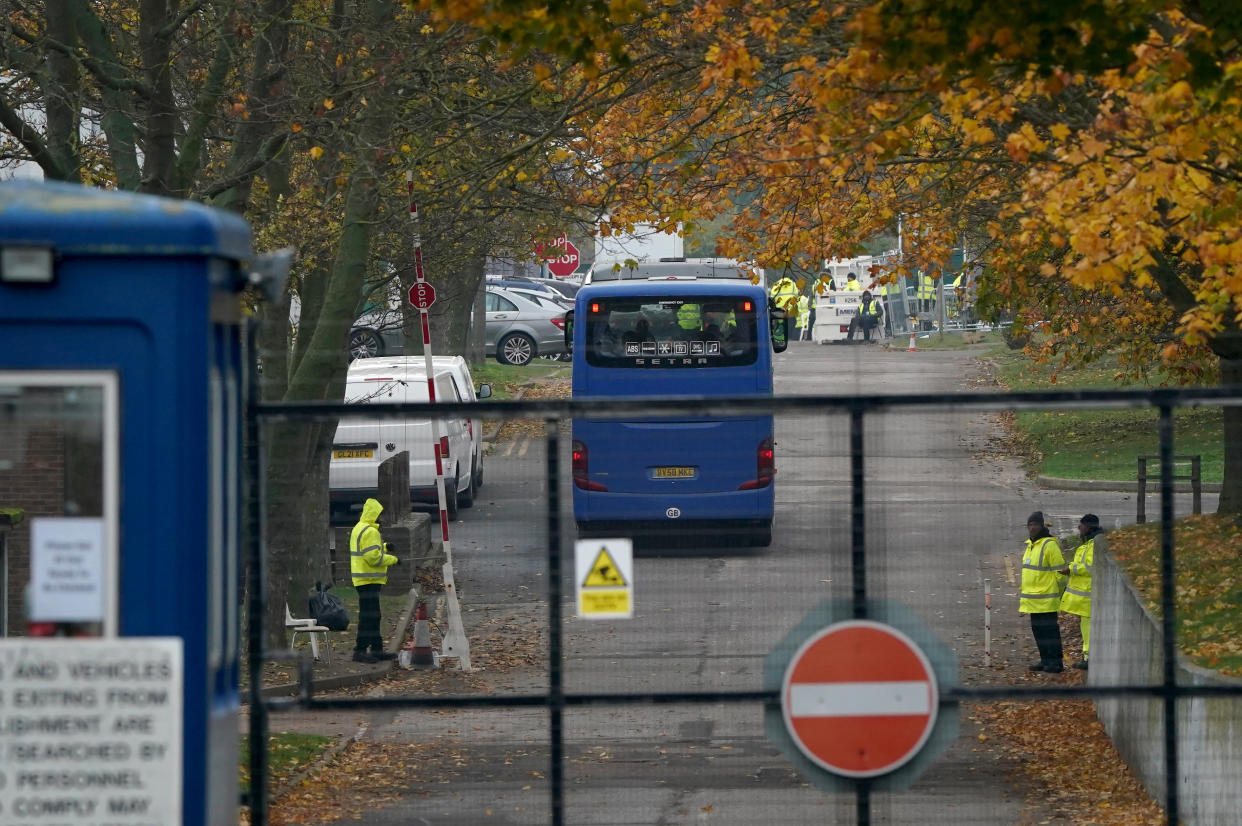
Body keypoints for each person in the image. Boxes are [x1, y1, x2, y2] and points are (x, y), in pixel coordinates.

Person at [350, 497, 399, 664]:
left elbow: (367, 550)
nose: (381, 518)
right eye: (379, 514)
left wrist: (385, 546)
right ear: (374, 515)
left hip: (362, 579)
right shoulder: (371, 532)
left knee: (373, 615)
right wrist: (393, 559)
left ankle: (376, 649)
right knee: (369, 617)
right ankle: (360, 651)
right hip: (368, 579)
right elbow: (373, 558)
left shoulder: (360, 528)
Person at [1020, 511, 1066, 673]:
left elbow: (1060, 574)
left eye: (1035, 525)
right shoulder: (1031, 545)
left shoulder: (1049, 545)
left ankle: (1055, 662)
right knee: (1039, 632)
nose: (1032, 528)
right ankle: (1045, 660)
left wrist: (1060, 594)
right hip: (1033, 601)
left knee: (1050, 632)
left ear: (1042, 526)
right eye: (1030, 525)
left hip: (1046, 599)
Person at [1060, 514, 1101, 670]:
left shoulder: (1093, 545)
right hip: (1087, 596)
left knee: (1088, 629)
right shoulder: (1091, 543)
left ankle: (1089, 659)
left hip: (1088, 596)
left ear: (1089, 527)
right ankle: (1086, 657)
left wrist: (1070, 569)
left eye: (1081, 525)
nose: (1078, 528)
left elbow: (1089, 567)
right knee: (1086, 628)